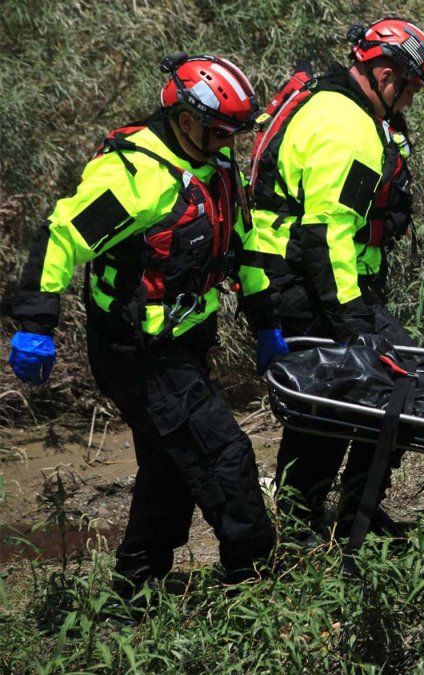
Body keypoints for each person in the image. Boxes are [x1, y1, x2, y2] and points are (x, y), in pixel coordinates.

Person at [4, 54, 282, 598]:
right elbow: (60, 236)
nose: (227, 142)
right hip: (139, 353)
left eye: (233, 133)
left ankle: (134, 591)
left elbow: (244, 247)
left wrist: (266, 323)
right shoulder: (135, 177)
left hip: (185, 344)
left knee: (170, 466)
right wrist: (35, 321)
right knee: (225, 458)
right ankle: (257, 586)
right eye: (218, 130)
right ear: (183, 117)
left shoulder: (215, 165)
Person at [244, 17, 424, 538]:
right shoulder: (349, 128)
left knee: (340, 402)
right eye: (410, 90)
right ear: (386, 74)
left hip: (298, 280)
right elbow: (326, 232)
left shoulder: (332, 103)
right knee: (370, 391)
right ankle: (313, 524)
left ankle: (337, 512)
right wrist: (353, 320)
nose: (410, 103)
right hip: (307, 286)